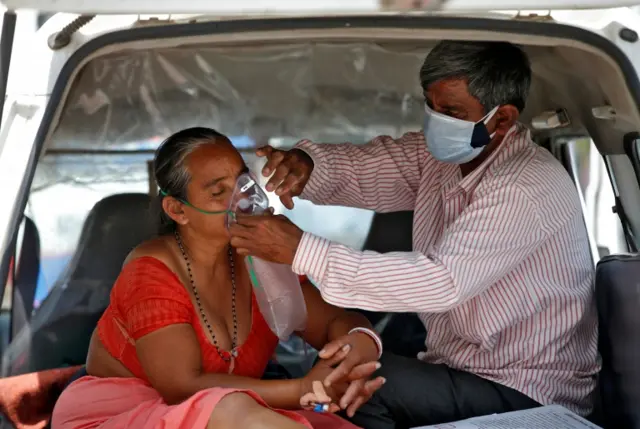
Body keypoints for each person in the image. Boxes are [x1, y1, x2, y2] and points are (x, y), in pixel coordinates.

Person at [228, 41, 600, 428]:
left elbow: (442, 282)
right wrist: (308, 165)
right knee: (355, 370)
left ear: (502, 119)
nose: (435, 121)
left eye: (452, 113)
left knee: (364, 386)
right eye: (431, 106)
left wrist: (302, 250)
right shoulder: (442, 159)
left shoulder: (525, 184)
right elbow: (365, 170)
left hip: (527, 388)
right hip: (461, 367)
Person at [51, 127, 386, 429]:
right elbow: (182, 387)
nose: (244, 198)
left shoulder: (263, 256)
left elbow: (335, 321)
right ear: (178, 211)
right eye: (218, 192)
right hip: (123, 415)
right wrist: (303, 389)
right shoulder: (150, 270)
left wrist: (355, 347)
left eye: (242, 181)